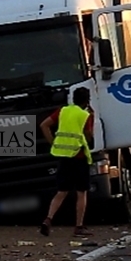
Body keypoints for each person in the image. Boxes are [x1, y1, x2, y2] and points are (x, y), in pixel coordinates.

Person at [40, 88, 95, 237]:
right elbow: (89, 136)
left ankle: (48, 219)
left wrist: (53, 143)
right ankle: (79, 226)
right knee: (81, 192)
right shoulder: (85, 115)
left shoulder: (62, 111)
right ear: (87, 100)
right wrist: (92, 118)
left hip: (63, 156)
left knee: (61, 191)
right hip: (79, 157)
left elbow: (44, 125)